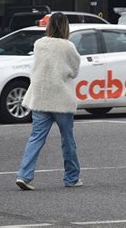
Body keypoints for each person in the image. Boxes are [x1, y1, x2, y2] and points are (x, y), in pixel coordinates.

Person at [16, 12, 82, 190]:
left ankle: (24, 175)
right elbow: (75, 71)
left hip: (40, 97)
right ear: (66, 27)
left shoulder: (39, 44)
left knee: (36, 138)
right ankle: (71, 177)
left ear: (49, 26)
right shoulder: (68, 47)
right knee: (67, 140)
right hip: (61, 98)